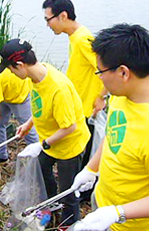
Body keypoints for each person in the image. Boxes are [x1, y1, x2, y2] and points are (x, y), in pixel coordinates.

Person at [70, 23, 149, 231]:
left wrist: (119, 213)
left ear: (123, 73)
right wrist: (91, 169)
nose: (99, 77)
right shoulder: (125, 94)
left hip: (135, 225)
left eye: (100, 71)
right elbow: (114, 134)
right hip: (105, 202)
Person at [0, 39, 90, 227]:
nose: (12, 73)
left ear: (20, 65)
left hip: (69, 147)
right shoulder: (35, 77)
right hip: (50, 140)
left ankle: (68, 224)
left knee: (68, 192)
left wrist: (42, 144)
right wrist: (29, 124)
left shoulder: (58, 88)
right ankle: (51, 204)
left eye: (11, 69)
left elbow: (70, 127)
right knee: (41, 168)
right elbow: (42, 106)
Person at [42, 0, 107, 166]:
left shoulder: (83, 39)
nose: (48, 25)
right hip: (78, 105)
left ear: (63, 16)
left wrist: (101, 97)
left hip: (87, 108)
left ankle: (83, 189)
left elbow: (107, 69)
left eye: (48, 19)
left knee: (85, 157)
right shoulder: (74, 37)